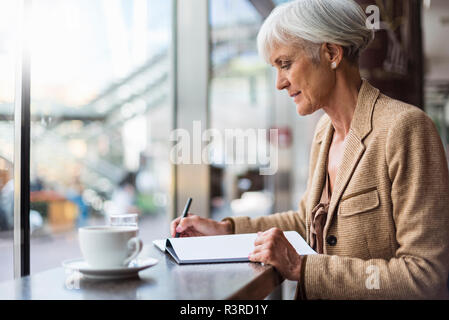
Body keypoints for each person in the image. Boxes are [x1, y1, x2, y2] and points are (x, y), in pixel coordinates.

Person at [171, 0, 449, 299]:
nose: (279, 83)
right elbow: (306, 222)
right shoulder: (323, 132)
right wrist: (225, 230)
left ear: (331, 53)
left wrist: (303, 268)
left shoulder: (405, 129)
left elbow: (424, 274)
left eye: (286, 64)